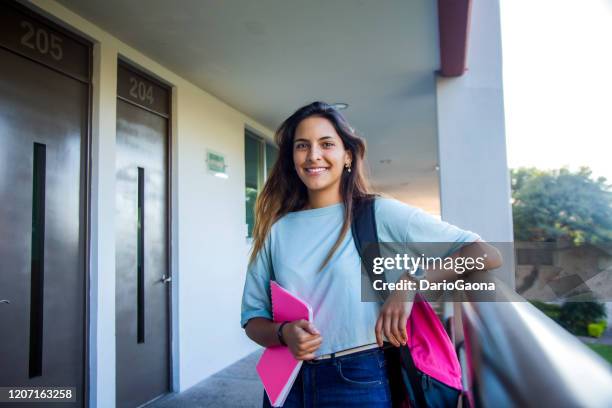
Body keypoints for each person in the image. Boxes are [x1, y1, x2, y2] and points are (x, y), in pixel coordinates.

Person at [241, 101, 502, 407]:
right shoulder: (278, 229)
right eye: (302, 146)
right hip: (287, 384)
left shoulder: (378, 213)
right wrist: (284, 333)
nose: (313, 155)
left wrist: (411, 283)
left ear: (347, 155)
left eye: (326, 144)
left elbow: (486, 253)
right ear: (292, 158)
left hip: (359, 378)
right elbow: (252, 319)